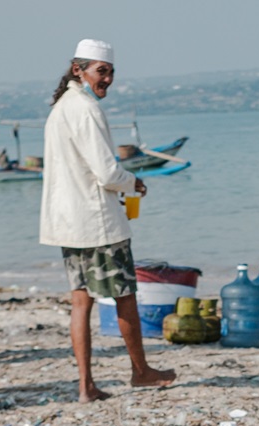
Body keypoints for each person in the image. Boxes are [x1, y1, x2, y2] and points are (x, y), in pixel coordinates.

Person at [40, 39, 176, 402]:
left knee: (81, 302)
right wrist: (134, 182)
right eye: (102, 71)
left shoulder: (60, 108)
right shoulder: (84, 109)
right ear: (78, 70)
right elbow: (106, 171)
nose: (108, 79)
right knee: (125, 295)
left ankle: (86, 385)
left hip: (69, 222)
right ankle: (141, 371)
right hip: (97, 221)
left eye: (111, 72)